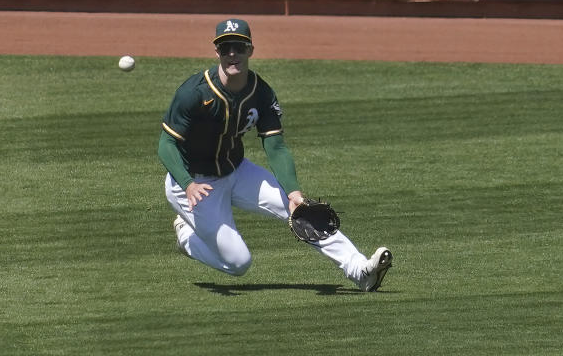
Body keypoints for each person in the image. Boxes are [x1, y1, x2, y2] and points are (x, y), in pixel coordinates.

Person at [157, 17, 392, 291]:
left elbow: (275, 145)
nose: (232, 53)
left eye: (239, 47)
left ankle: (360, 271)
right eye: (225, 48)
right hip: (195, 185)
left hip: (237, 170)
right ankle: (187, 239)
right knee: (239, 263)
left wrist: (293, 193)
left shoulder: (261, 93)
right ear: (217, 52)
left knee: (303, 213)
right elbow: (166, 144)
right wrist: (187, 184)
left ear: (250, 51)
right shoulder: (194, 93)